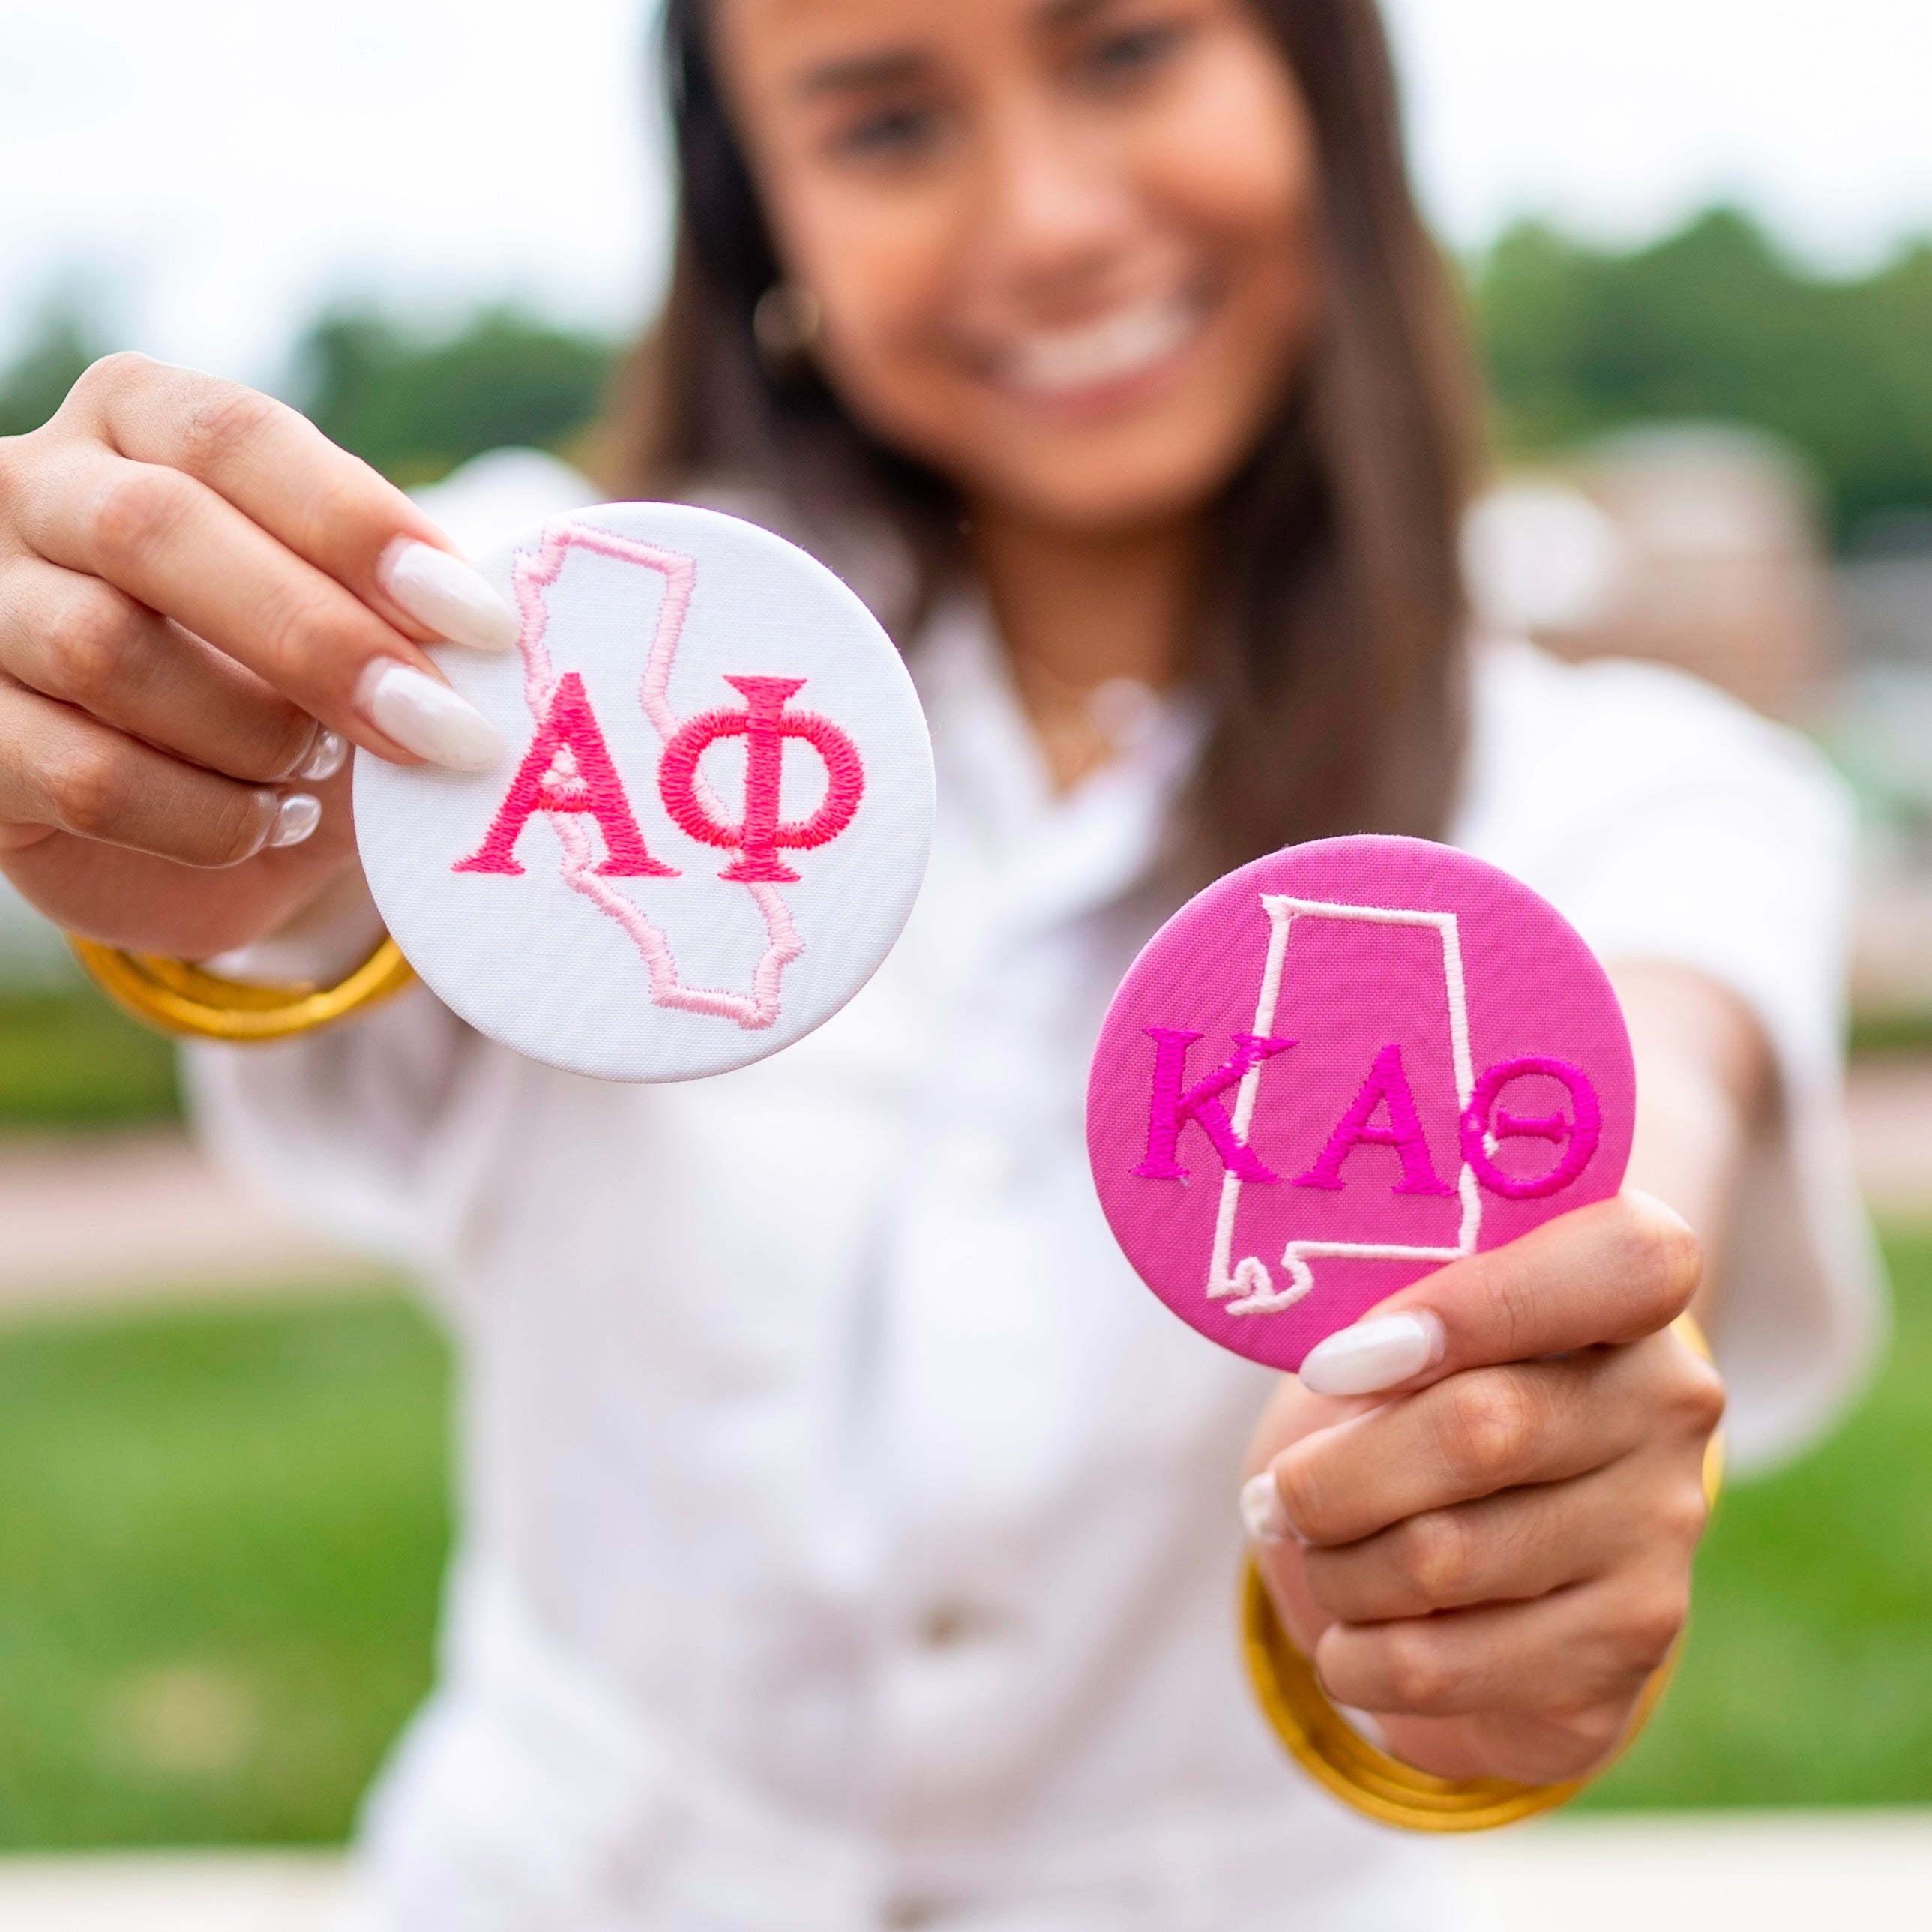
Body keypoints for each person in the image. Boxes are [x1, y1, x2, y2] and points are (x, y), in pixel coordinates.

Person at [0, 0, 1881, 1925]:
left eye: (1125, 52)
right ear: (764, 233)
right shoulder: (548, 628)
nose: (1050, 219)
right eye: (886, 126)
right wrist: (210, 777)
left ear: (1320, 91)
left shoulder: (1631, 790)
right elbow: (337, 815)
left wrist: (1533, 1455)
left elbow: (1634, 1109)